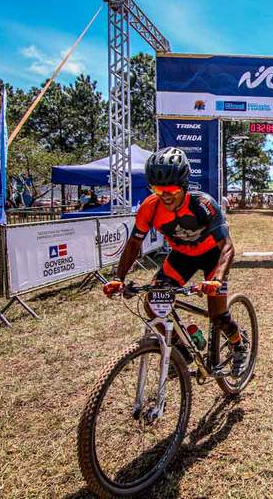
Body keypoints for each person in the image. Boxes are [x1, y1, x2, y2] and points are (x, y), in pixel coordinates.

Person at [102, 148, 247, 377]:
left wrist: (217, 280)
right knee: (153, 302)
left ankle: (239, 345)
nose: (165, 196)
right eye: (158, 190)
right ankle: (182, 350)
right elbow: (134, 244)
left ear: (184, 185)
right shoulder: (150, 207)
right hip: (182, 256)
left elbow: (227, 247)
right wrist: (119, 278)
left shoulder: (203, 204)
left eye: (171, 190)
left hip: (213, 257)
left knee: (218, 316)